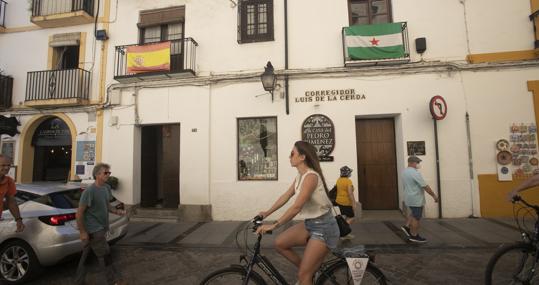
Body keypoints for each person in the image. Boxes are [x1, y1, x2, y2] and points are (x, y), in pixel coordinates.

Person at [256, 141, 338, 285]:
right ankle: (309, 271)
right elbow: (286, 196)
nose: (289, 156)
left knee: (303, 276)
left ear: (302, 157)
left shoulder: (311, 177)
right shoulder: (300, 176)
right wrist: (266, 213)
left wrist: (274, 225)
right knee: (280, 243)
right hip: (311, 224)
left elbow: (297, 207)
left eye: (292, 153)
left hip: (324, 227)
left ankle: (306, 275)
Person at [75, 163, 126, 285]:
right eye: (105, 173)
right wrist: (83, 232)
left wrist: (116, 211)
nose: (108, 175)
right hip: (94, 228)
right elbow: (79, 213)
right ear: (97, 175)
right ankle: (114, 281)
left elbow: (106, 204)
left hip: (102, 226)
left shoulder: (106, 188)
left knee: (87, 257)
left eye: (109, 172)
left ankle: (79, 281)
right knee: (105, 254)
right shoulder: (89, 191)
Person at [400, 156, 438, 243]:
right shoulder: (415, 173)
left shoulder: (405, 171)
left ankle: (406, 226)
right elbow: (425, 186)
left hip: (409, 197)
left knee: (413, 213)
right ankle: (414, 236)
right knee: (416, 218)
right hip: (416, 198)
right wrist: (434, 196)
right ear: (411, 163)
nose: (418, 164)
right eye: (417, 162)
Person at [0, 155, 24, 232]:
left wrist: (18, 219)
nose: (7, 168)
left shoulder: (9, 181)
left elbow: (11, 202)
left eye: (8, 165)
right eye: (3, 165)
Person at [334, 166, 357, 240]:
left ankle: (344, 233)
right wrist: (354, 203)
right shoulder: (348, 181)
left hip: (339, 201)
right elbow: (350, 193)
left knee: (344, 218)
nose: (350, 174)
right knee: (352, 217)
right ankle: (343, 232)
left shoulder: (339, 180)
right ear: (347, 173)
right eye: (350, 172)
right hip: (346, 202)